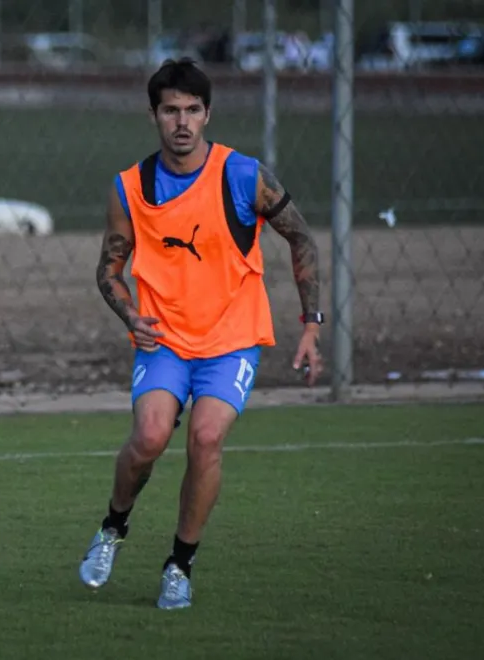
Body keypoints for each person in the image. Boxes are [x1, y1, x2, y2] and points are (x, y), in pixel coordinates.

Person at [81, 58, 324, 610]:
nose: (182, 121)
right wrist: (129, 317)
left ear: (207, 114)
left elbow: (302, 238)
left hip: (231, 338)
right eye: (171, 110)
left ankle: (179, 566)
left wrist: (311, 324)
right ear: (154, 116)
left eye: (193, 110)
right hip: (164, 338)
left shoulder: (243, 175)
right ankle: (112, 528)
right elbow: (108, 270)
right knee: (148, 438)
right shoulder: (131, 187)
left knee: (206, 438)